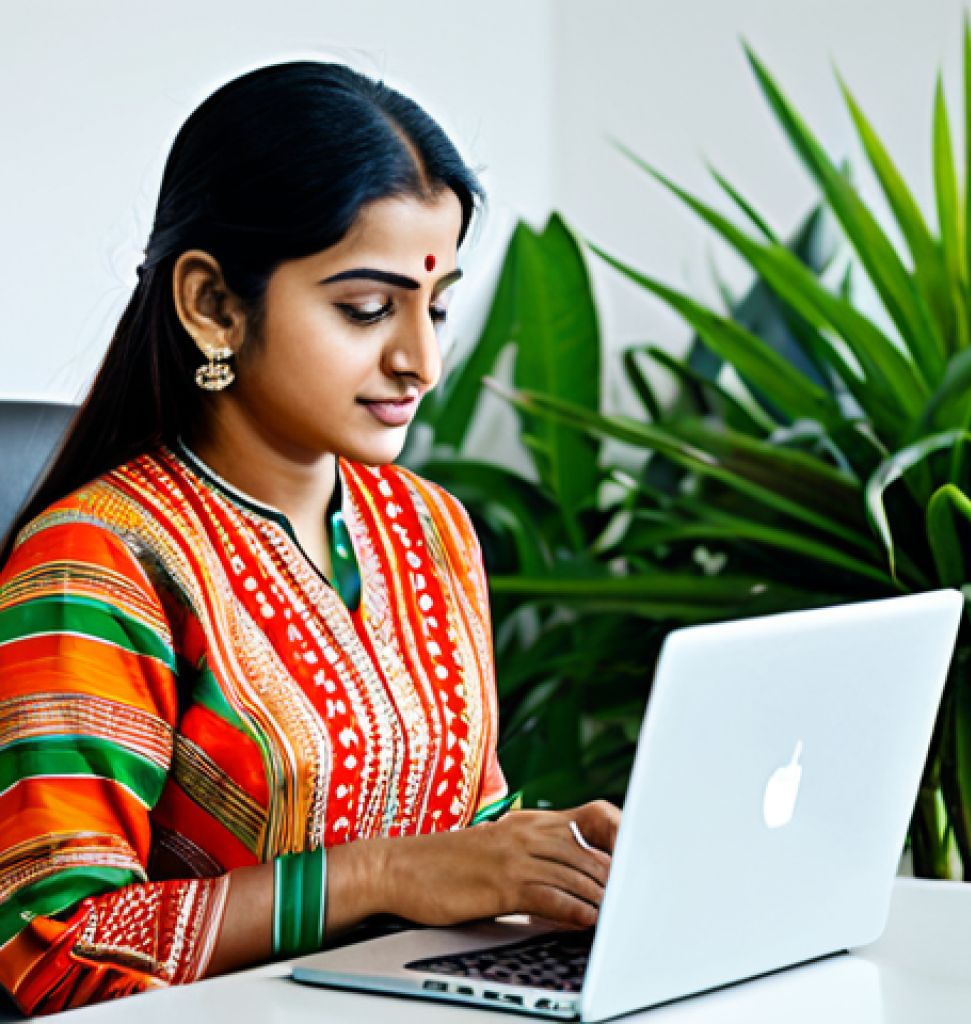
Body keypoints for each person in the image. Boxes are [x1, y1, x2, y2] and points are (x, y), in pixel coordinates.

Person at [0, 62, 620, 1015]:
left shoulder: (429, 528)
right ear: (212, 303)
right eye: (366, 309)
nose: (421, 361)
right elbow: (56, 950)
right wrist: (380, 875)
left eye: (436, 306)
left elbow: (466, 832)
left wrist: (547, 862)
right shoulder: (97, 561)